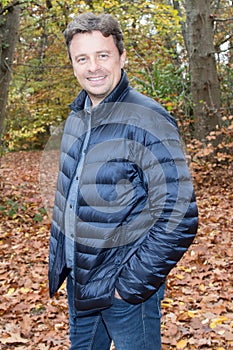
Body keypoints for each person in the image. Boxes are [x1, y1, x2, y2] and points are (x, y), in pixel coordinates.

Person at [48, 12, 198, 350]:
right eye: (82, 58)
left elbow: (180, 214)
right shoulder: (76, 118)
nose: (93, 67)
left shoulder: (148, 118)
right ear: (73, 65)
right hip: (80, 281)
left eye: (103, 55)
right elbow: (69, 197)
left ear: (122, 57)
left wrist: (129, 285)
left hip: (125, 289)